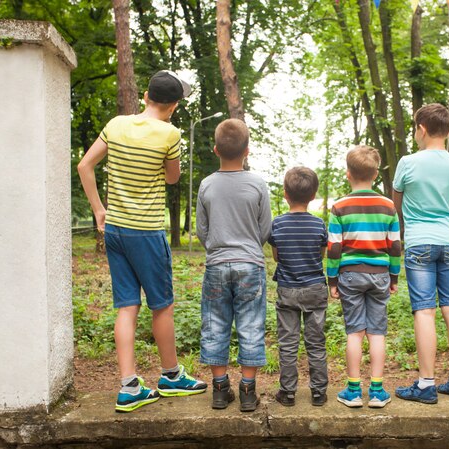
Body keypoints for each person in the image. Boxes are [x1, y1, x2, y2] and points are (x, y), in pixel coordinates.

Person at [77, 70, 207, 413]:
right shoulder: (170, 133)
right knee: (161, 304)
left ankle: (129, 386)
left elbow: (85, 165)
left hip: (116, 229)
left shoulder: (117, 124)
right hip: (146, 231)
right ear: (174, 105)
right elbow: (172, 176)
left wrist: (99, 211)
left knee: (126, 306)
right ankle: (171, 376)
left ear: (146, 96)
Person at [392, 103, 449, 404]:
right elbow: (448, 198)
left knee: (424, 310)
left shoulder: (407, 163)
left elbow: (396, 205)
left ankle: (426, 384)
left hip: (420, 242)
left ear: (421, 129)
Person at [196, 118, 272, 412]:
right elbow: (265, 227)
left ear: (215, 149)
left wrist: (217, 247)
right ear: (247, 151)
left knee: (215, 324)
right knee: (251, 324)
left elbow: (202, 230)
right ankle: (248, 392)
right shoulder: (257, 184)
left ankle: (219, 389)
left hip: (216, 264)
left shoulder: (206, 185)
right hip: (250, 264)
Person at [327, 145, 401, 408]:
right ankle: (378, 392)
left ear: (348, 174)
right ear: (376, 175)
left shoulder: (339, 207)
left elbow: (334, 248)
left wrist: (332, 280)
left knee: (355, 333)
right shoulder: (388, 206)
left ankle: (353, 390)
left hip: (350, 276)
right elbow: (394, 246)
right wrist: (394, 277)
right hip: (380, 275)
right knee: (377, 333)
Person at [269, 167, 329, 407]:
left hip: (287, 290)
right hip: (315, 288)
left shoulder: (278, 224)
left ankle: (288, 392)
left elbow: (276, 256)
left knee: (288, 343)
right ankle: (318, 393)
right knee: (316, 342)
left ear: (285, 194)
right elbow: (321, 254)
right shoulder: (318, 225)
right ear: (313, 195)